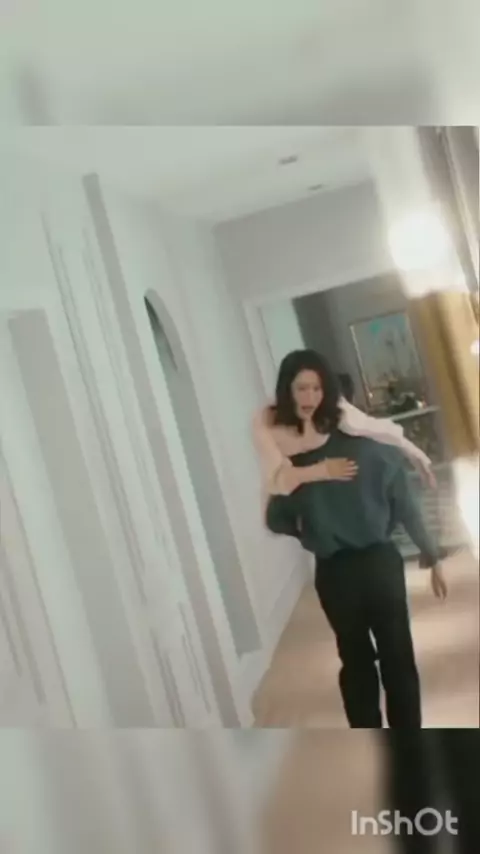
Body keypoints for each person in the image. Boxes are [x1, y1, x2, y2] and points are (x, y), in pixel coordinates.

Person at [262, 349, 447, 729]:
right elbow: (407, 508)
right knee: (399, 658)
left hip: (335, 573)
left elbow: (276, 519)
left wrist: (310, 529)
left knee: (355, 660)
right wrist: (431, 555)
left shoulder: (297, 461)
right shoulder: (378, 450)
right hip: (381, 564)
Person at [252, 355, 436, 502]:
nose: (310, 398)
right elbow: (275, 483)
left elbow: (378, 428)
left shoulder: (334, 409)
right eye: (302, 389)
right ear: (287, 390)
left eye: (317, 389)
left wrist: (416, 455)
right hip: (289, 498)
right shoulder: (266, 422)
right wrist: (321, 471)